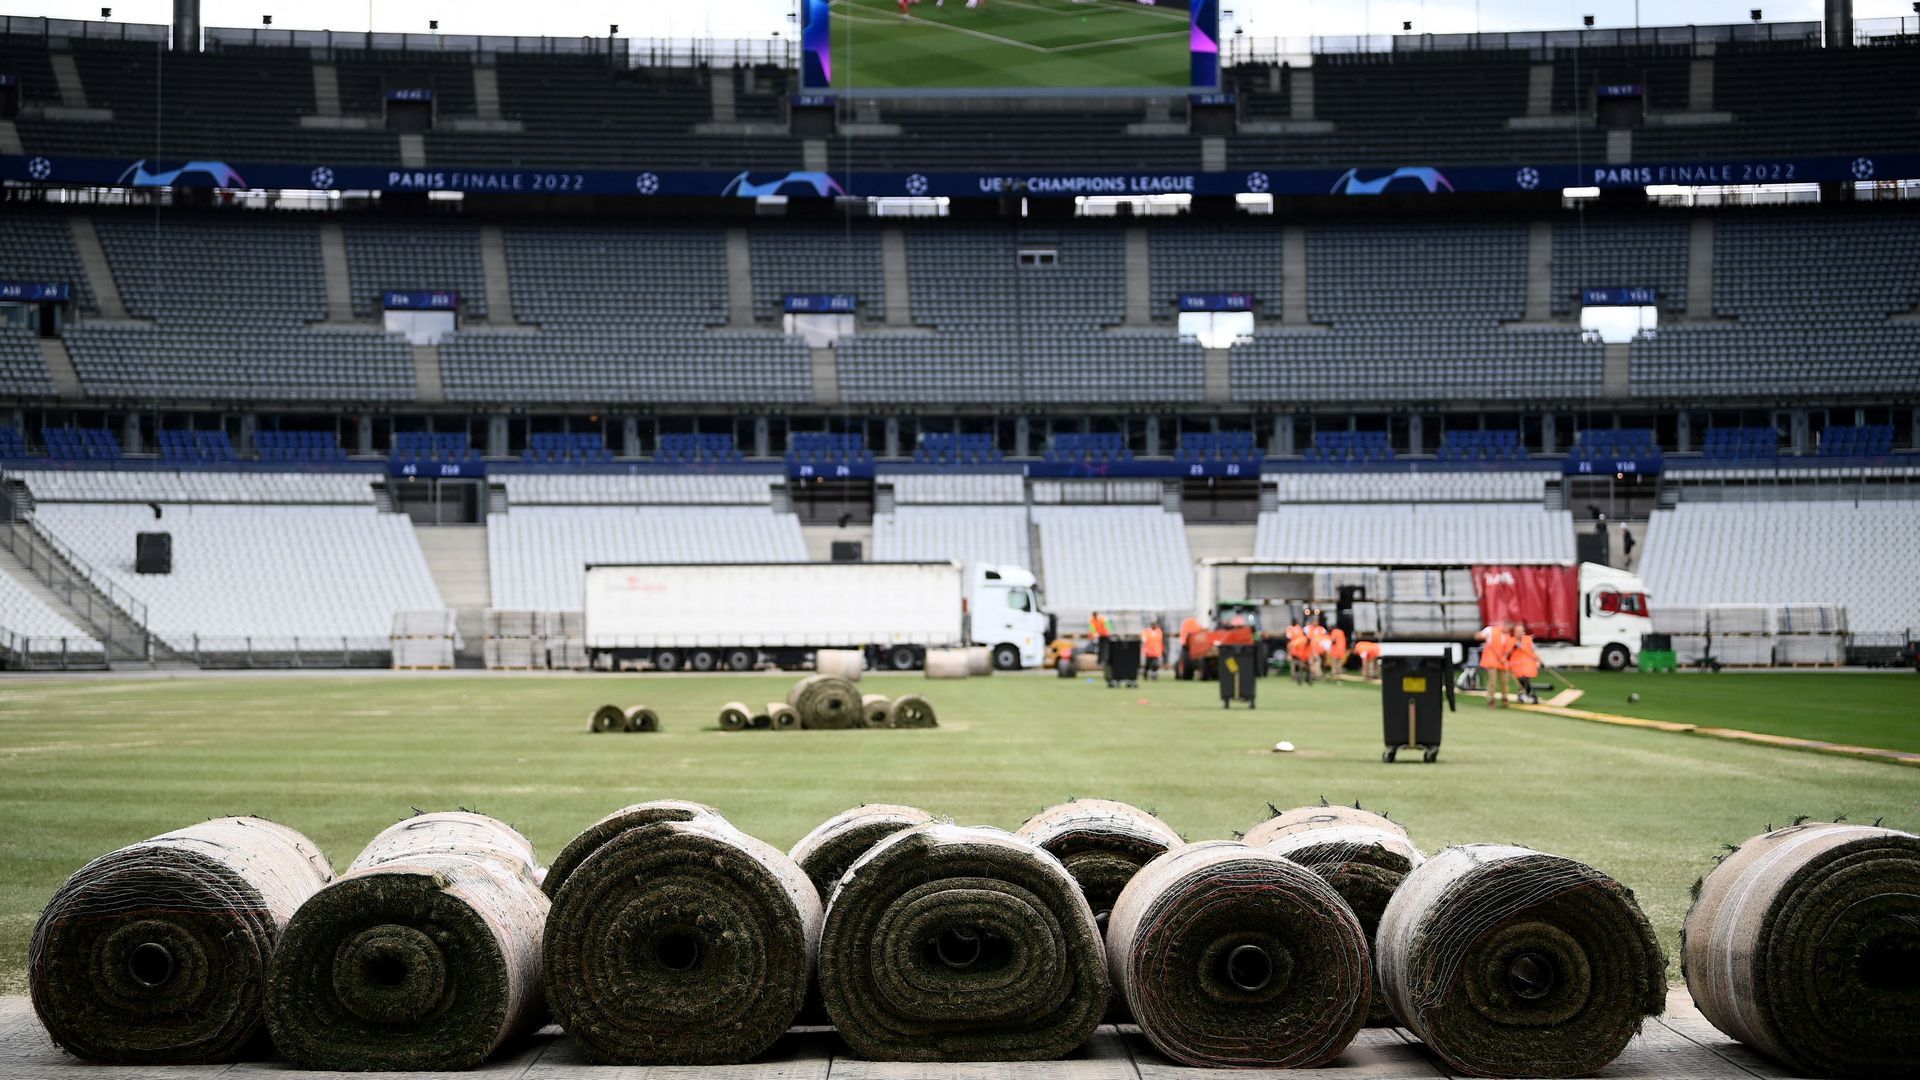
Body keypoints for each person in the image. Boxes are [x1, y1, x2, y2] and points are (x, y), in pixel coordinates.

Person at [1477, 620, 1514, 707]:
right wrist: (1483, 637)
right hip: (1491, 660)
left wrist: (1504, 657)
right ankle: (1491, 700)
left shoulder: (1507, 636)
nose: (1508, 630)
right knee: (1492, 681)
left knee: (1504, 681)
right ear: (1504, 625)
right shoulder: (1490, 630)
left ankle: (1505, 699)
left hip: (1502, 661)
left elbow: (1508, 649)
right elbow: (1478, 635)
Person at [1508, 621, 1540, 703]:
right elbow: (1506, 653)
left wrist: (1537, 660)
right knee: (1521, 680)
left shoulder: (1528, 639)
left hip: (1527, 665)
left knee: (1525, 679)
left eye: (1520, 631)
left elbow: (1533, 651)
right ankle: (1525, 694)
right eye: (1517, 631)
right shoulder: (1511, 641)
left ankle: (1526, 694)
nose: (1518, 633)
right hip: (1516, 666)